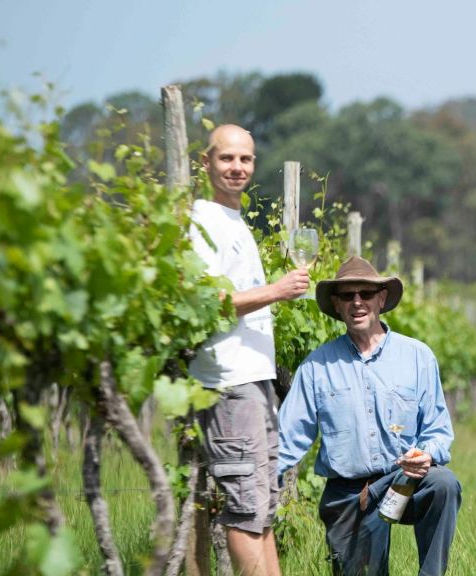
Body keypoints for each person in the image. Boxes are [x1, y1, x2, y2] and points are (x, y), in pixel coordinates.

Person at [278, 256, 461, 576]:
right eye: (348, 295)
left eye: (365, 293)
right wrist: (256, 481)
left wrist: (426, 454)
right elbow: (287, 438)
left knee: (443, 484)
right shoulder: (316, 368)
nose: (357, 302)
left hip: (404, 482)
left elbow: (437, 430)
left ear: (382, 298)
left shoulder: (417, 357)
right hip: (349, 493)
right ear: (336, 305)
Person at [189, 124, 309, 576]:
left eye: (246, 159)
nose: (237, 167)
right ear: (206, 163)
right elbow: (205, 305)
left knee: (262, 504)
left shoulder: (233, 221)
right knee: (245, 507)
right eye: (227, 158)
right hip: (229, 380)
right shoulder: (201, 221)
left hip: (253, 381)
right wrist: (275, 291)